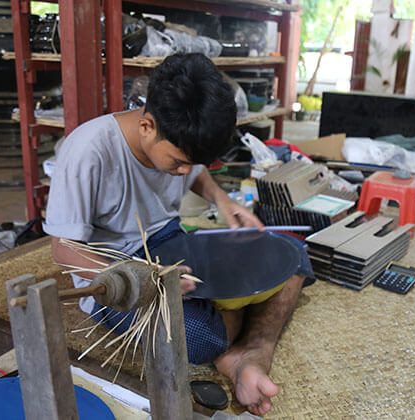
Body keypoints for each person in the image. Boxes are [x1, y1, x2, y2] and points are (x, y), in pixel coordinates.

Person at [44, 53, 314, 416]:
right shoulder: (88, 151)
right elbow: (63, 249)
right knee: (201, 339)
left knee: (292, 254)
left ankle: (252, 350)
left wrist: (220, 198)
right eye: (177, 162)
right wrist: (141, 280)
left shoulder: (179, 141)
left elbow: (195, 170)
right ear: (147, 126)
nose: (183, 171)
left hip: (173, 243)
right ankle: (237, 345)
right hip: (120, 269)